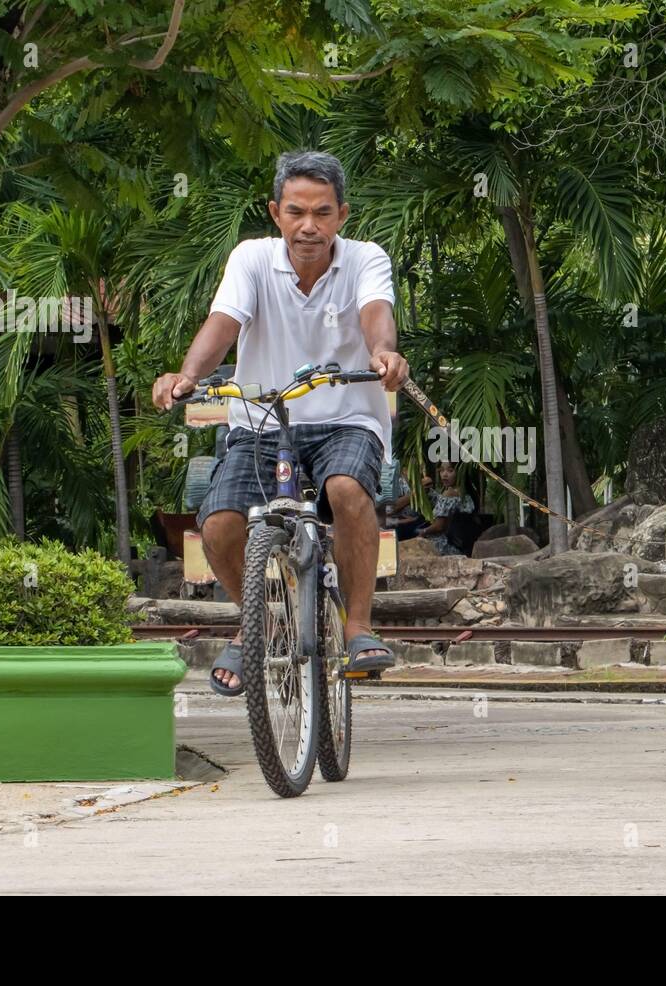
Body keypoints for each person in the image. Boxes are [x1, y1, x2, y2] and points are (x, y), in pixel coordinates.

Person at [152, 150, 408, 696]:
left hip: (346, 417)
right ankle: (259, 623)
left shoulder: (366, 258)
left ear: (342, 214)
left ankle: (358, 628)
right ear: (276, 213)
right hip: (262, 421)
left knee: (345, 489)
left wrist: (383, 353)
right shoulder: (251, 259)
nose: (308, 226)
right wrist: (188, 374)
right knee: (219, 523)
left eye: (321, 212)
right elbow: (223, 322)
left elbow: (375, 314)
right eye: (296, 212)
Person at [416, 462, 475, 556]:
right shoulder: (465, 493)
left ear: (460, 472)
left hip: (444, 546)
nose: (444, 474)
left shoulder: (449, 493)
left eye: (450, 470)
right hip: (461, 546)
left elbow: (439, 526)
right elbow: (441, 501)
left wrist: (422, 532)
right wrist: (428, 491)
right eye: (442, 470)